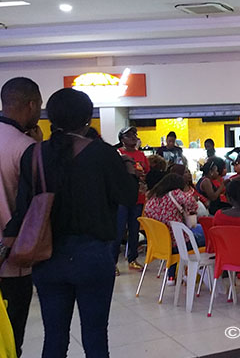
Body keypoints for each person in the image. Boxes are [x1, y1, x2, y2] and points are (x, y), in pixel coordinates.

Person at [2, 88, 138, 357]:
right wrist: (130, 172)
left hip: (47, 257)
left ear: (51, 117)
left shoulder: (35, 154)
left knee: (54, 335)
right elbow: (127, 196)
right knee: (95, 335)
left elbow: (23, 208)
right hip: (93, 256)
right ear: (87, 118)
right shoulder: (103, 154)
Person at [0, 77, 42, 357]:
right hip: (11, 261)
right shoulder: (25, 147)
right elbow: (32, 205)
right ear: (31, 104)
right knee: (11, 339)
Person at [144, 174, 204, 283]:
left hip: (160, 245)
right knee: (206, 236)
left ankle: (171, 277)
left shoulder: (152, 199)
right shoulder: (175, 193)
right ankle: (201, 273)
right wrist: (190, 209)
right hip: (179, 244)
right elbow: (191, 202)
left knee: (174, 234)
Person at [113, 126, 149, 274]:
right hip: (122, 197)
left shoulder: (141, 155)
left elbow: (146, 173)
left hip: (138, 197)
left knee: (134, 230)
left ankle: (132, 259)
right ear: (122, 139)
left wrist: (142, 177)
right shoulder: (117, 153)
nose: (133, 137)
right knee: (119, 230)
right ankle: (113, 262)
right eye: (129, 135)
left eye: (135, 134)